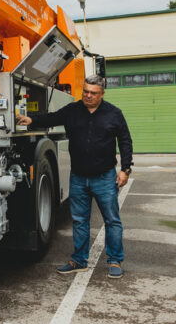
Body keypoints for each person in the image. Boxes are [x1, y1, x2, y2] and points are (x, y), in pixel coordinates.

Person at [16, 74, 133, 279]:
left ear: (102, 93)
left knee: (112, 220)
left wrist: (125, 169)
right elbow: (52, 118)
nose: (88, 95)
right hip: (78, 177)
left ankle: (115, 260)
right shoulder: (72, 110)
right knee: (79, 221)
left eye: (93, 93)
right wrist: (32, 120)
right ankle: (79, 260)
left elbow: (125, 141)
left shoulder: (114, 114)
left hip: (104, 177)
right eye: (85, 91)